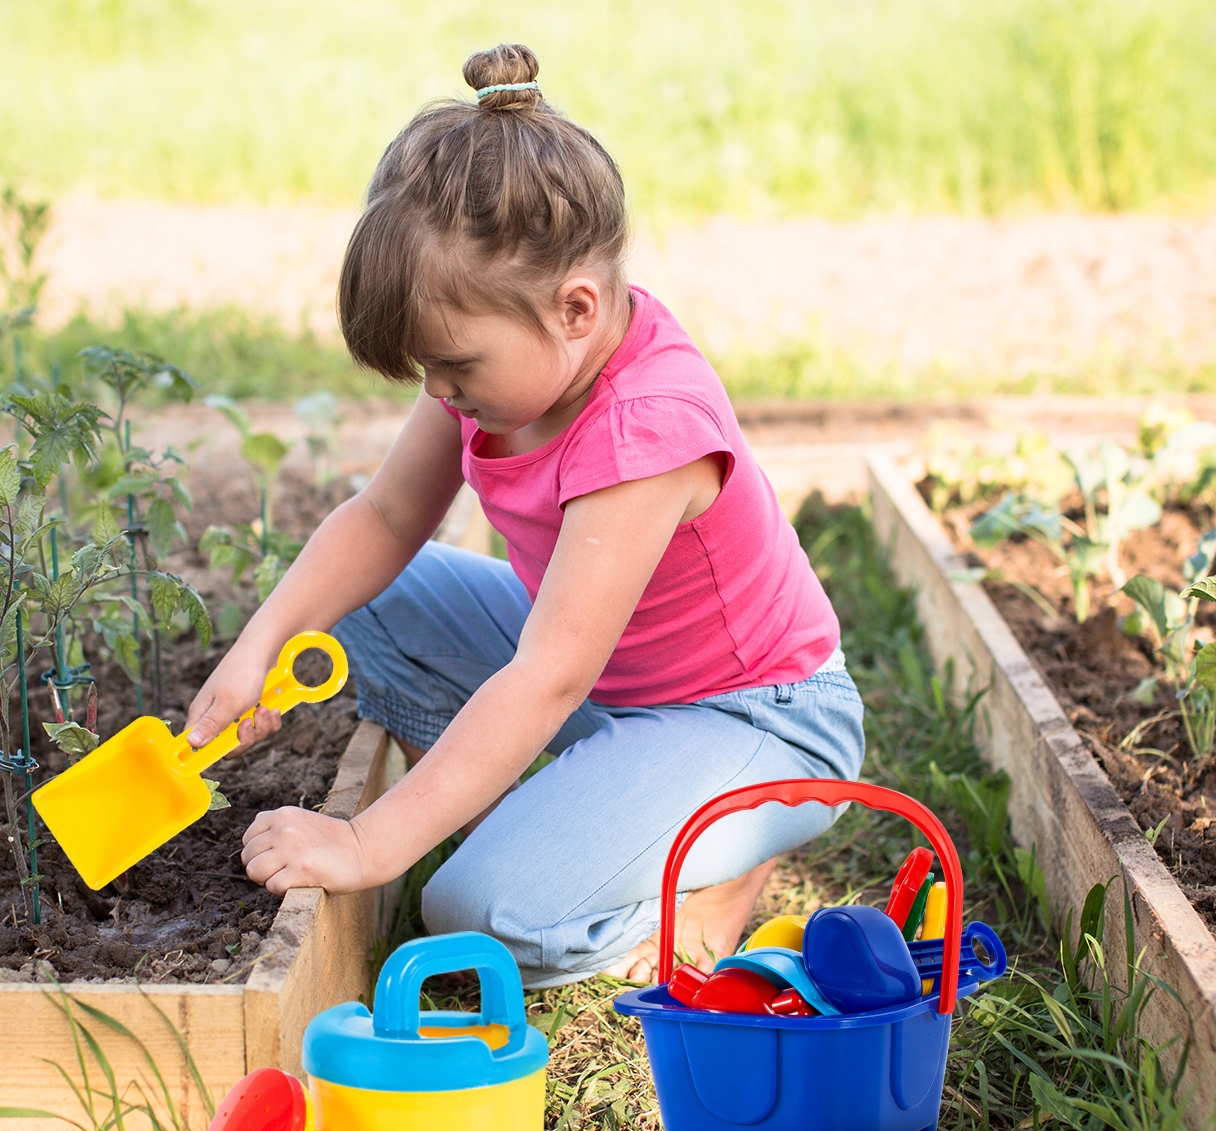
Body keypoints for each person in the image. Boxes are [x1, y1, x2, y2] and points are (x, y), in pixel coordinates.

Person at [183, 43, 864, 988]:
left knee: (475, 913)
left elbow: (543, 678)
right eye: (430, 370)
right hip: (614, 680)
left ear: (577, 309)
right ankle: (536, 813)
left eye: (455, 369)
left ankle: (703, 889)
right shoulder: (507, 346)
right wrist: (261, 644)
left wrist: (368, 841)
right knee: (369, 596)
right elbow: (384, 518)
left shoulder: (644, 428)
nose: (440, 392)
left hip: (753, 718)